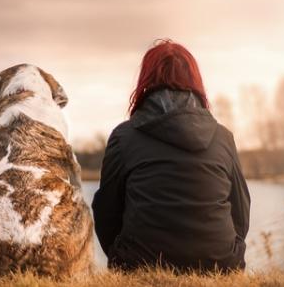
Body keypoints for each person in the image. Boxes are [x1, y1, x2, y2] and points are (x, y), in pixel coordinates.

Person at [92, 39, 250, 273]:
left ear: (146, 81)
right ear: (195, 81)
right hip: (220, 265)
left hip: (139, 265)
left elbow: (106, 212)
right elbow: (241, 211)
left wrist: (121, 255)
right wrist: (227, 252)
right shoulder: (223, 137)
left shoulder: (124, 137)